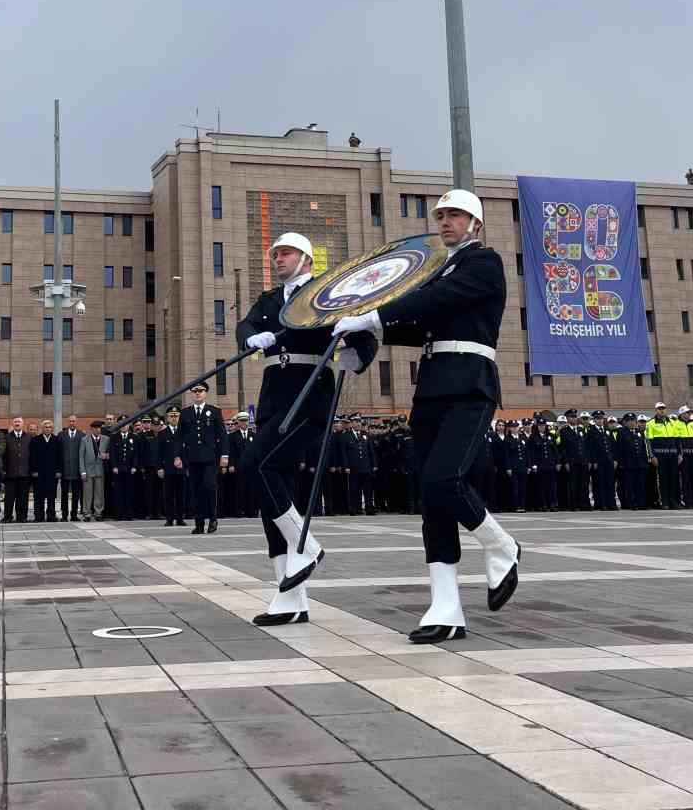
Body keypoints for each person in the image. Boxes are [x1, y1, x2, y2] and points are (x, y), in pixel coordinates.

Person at [333, 189, 518, 643]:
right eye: (441, 215)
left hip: (470, 384)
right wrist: (355, 329)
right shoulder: (443, 267)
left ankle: (501, 545)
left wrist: (372, 316)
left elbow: (434, 302)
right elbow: (417, 325)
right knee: (431, 500)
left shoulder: (483, 262)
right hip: (433, 386)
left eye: (455, 214)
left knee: (444, 479)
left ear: (475, 224)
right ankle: (446, 605)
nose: (445, 221)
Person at [235, 231, 377, 627]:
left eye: (286, 253)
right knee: (271, 495)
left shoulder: (324, 293)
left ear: (306, 259)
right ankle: (290, 596)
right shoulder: (267, 300)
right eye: (275, 253)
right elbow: (244, 325)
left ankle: (307, 546)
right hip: (273, 396)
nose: (277, 258)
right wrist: (250, 337)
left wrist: (353, 352)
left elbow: (362, 335)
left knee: (254, 465)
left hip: (309, 392)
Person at [178, 383, 226, 534]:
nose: (198, 394)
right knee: (195, 490)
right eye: (195, 391)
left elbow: (222, 435)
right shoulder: (185, 413)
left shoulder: (214, 411)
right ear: (192, 394)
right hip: (192, 458)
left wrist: (224, 455)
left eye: (201, 391)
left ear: (206, 393)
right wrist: (177, 456)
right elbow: (179, 437)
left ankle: (212, 518)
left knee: (209, 486)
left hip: (210, 458)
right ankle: (199, 523)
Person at [645, 403, 678, 509]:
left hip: (672, 455)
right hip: (660, 456)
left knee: (673, 478)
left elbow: (677, 440)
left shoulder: (673, 422)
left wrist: (679, 454)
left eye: (663, 408)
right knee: (663, 479)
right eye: (659, 409)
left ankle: (673, 501)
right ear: (656, 410)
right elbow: (649, 442)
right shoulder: (651, 423)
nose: (662, 411)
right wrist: (652, 456)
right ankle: (665, 502)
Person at [157, 410, 185, 527]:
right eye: (171, 416)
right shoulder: (162, 433)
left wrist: (187, 465)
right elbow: (159, 452)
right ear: (167, 418)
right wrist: (160, 467)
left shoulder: (184, 432)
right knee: (168, 495)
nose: (174, 418)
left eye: (176, 416)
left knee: (181, 495)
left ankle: (180, 518)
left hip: (181, 468)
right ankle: (169, 518)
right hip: (168, 468)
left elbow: (187, 450)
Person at [2, 416, 32, 523]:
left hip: (24, 473)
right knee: (9, 498)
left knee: (23, 498)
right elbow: (3, 455)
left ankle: (22, 517)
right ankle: (7, 517)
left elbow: (31, 455)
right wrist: (4, 470)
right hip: (10, 473)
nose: (17, 423)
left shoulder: (28, 437)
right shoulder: (6, 437)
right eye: (15, 422)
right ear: (13, 424)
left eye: (19, 421)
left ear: (22, 424)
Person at [106, 414, 135, 521]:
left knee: (129, 492)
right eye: (122, 424)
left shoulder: (133, 437)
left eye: (126, 424)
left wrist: (134, 466)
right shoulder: (114, 437)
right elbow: (112, 453)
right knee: (118, 492)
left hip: (129, 469)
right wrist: (114, 466)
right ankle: (118, 513)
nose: (124, 426)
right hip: (118, 469)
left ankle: (129, 514)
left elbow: (136, 454)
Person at [587, 413, 617, 512]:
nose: (600, 420)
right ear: (594, 420)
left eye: (601, 419)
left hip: (609, 460)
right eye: (597, 419)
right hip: (599, 461)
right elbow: (590, 448)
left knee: (610, 483)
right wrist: (593, 460)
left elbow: (612, 445)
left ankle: (611, 503)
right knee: (600, 483)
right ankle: (602, 504)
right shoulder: (591, 431)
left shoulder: (607, 430)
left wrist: (614, 459)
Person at [31, 419, 59, 522]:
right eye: (45, 427)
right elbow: (32, 457)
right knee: (39, 496)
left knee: (51, 495)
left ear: (52, 429)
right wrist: (33, 470)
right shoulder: (35, 440)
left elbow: (59, 456)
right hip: (39, 473)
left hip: (52, 473)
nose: (47, 429)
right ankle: (39, 516)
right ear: (42, 429)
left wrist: (58, 471)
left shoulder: (56, 440)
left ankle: (51, 515)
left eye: (49, 427)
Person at [616, 414, 647, 510]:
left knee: (640, 484)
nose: (632, 422)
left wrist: (645, 461)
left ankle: (641, 503)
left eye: (633, 420)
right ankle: (632, 503)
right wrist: (621, 463)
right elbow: (620, 449)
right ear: (625, 422)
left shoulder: (638, 432)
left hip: (640, 463)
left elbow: (643, 447)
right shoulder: (622, 432)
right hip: (628, 464)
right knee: (630, 485)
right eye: (629, 420)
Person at [58, 414, 84, 522]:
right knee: (64, 494)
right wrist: (58, 470)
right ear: (67, 422)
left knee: (76, 494)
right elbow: (58, 454)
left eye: (73, 421)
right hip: (64, 471)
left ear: (76, 422)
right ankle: (64, 515)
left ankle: (74, 515)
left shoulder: (82, 435)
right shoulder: (61, 435)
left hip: (77, 470)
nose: (72, 423)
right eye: (70, 421)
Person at [81, 420, 106, 522]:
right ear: (91, 429)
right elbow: (81, 457)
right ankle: (87, 513)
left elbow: (110, 453)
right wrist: (82, 471)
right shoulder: (84, 440)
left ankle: (98, 512)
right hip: (88, 470)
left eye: (99, 428)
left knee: (99, 492)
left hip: (100, 470)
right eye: (95, 428)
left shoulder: (106, 439)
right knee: (87, 492)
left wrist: (107, 456)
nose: (97, 430)